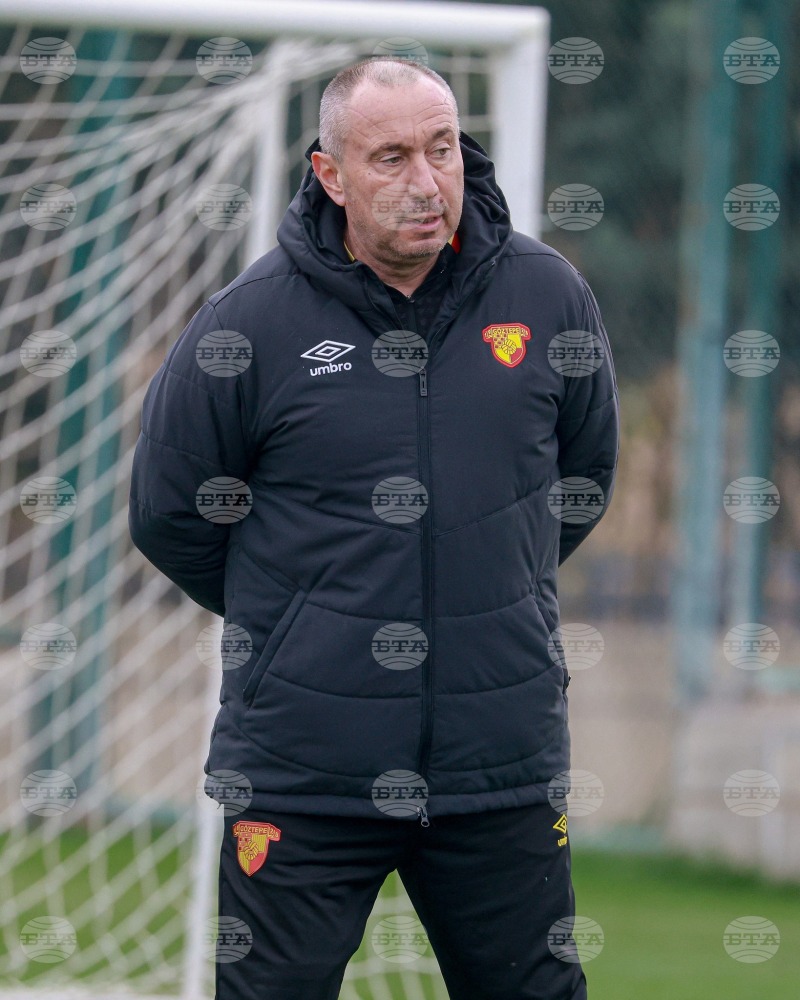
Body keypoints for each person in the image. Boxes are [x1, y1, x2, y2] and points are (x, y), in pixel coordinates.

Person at [129, 56, 619, 1000]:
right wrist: (305, 618)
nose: (426, 181)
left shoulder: (549, 296)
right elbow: (170, 514)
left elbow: (581, 481)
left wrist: (485, 588)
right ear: (331, 175)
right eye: (391, 157)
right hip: (302, 771)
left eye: (442, 149)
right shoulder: (246, 324)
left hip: (498, 765)